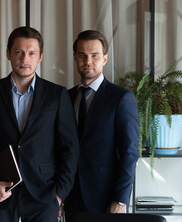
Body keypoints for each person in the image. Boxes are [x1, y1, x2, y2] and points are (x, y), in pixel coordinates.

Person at [0, 26, 79, 222]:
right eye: (18, 52)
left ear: (40, 57)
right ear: (8, 54)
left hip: (44, 193)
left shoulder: (57, 95)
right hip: (0, 191)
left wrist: (60, 193)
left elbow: (70, 147)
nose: (24, 59)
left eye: (31, 53)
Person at [64, 30, 139, 220]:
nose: (88, 61)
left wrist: (120, 199)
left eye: (94, 55)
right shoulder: (66, 97)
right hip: (71, 198)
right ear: (75, 58)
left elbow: (129, 152)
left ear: (104, 59)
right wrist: (59, 195)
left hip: (106, 200)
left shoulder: (121, 98)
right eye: (82, 55)